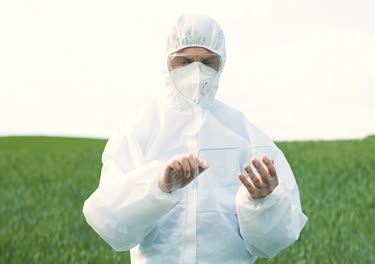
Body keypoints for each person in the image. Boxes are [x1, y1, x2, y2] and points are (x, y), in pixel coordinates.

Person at [83, 14, 308, 263]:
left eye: (208, 61)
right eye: (185, 61)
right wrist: (159, 186)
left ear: (220, 64)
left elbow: (273, 241)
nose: (197, 71)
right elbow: (110, 223)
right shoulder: (139, 130)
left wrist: (263, 201)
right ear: (168, 63)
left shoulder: (245, 134)